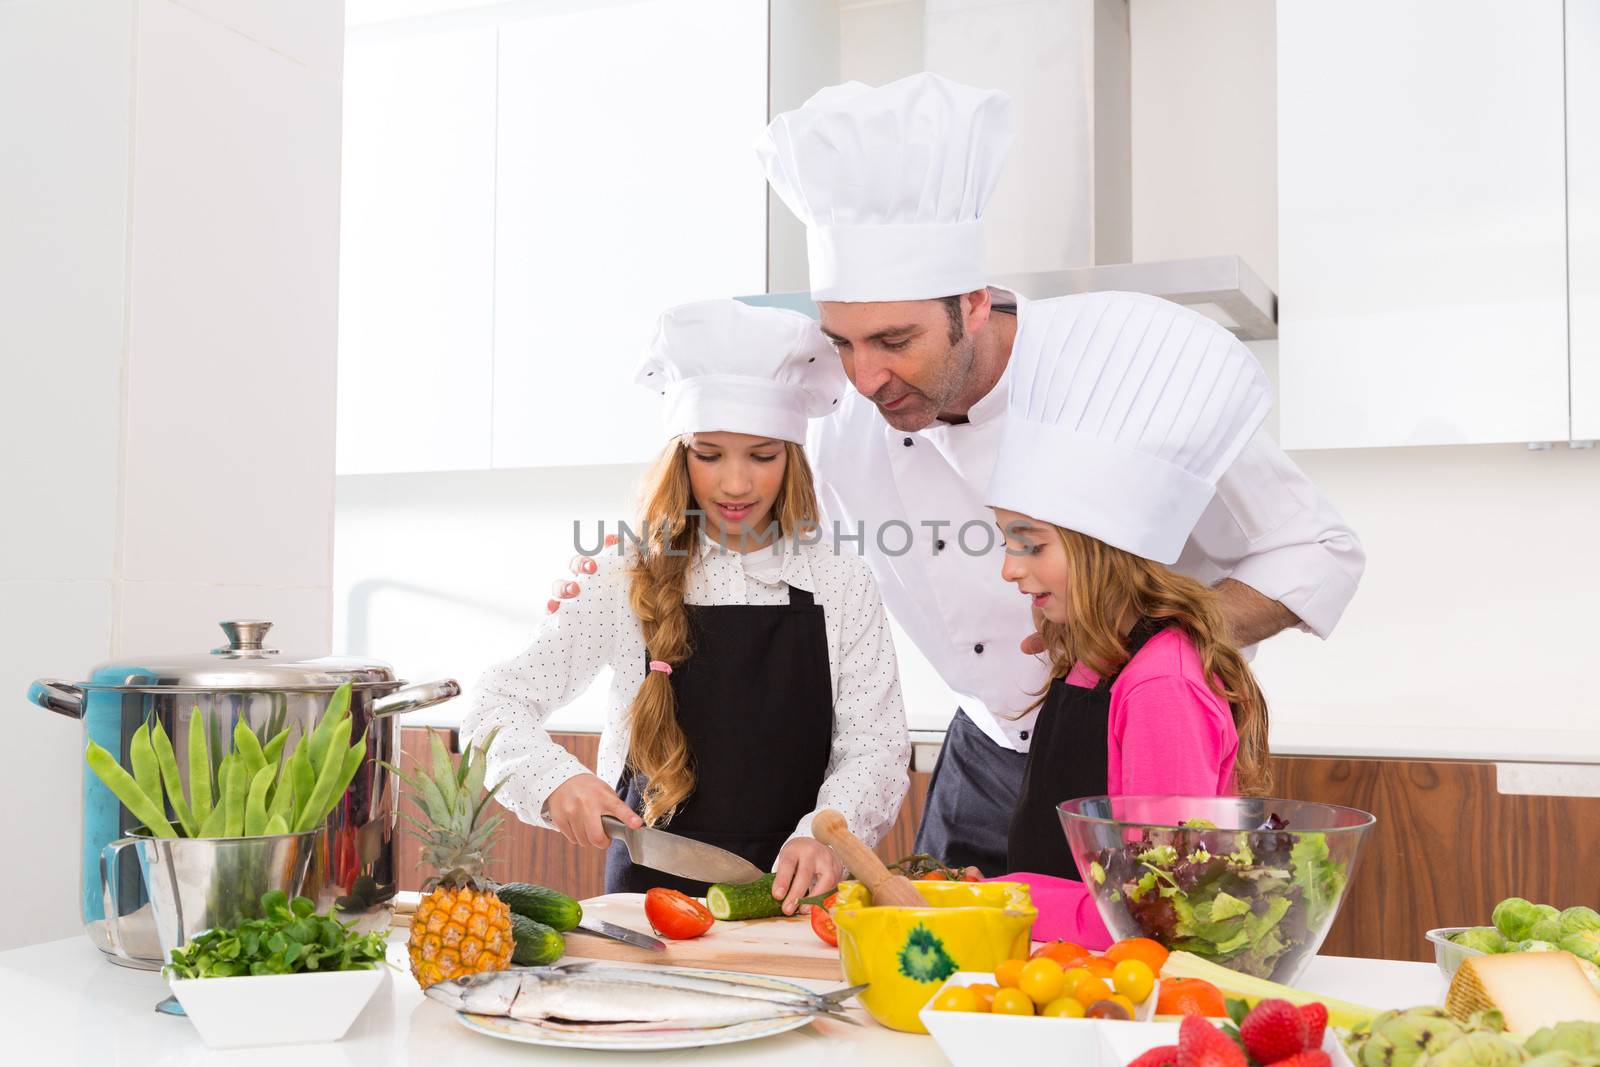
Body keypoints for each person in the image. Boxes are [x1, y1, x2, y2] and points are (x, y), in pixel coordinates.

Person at [749, 73, 1363, 876]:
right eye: (843, 342)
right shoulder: (842, 425)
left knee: (1128, 969)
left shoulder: (1128, 370)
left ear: (972, 304)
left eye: (895, 341)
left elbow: (1318, 549)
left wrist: (1153, 643)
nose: (865, 379)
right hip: (977, 754)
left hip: (1132, 746)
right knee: (945, 981)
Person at [463, 300, 910, 913]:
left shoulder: (840, 580)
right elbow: (496, 704)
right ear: (680, 456)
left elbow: (876, 749)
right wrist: (553, 781)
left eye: (761, 455)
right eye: (709, 454)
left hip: (799, 901)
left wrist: (827, 833)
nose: (735, 484)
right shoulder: (623, 574)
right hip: (647, 906)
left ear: (793, 460)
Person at [983, 291, 1275, 944]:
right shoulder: (1094, 664)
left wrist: (1001, 903)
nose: (1009, 567)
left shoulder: (1159, 684)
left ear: (1099, 547)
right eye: (1005, 540)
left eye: (1030, 542)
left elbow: (1162, 909)